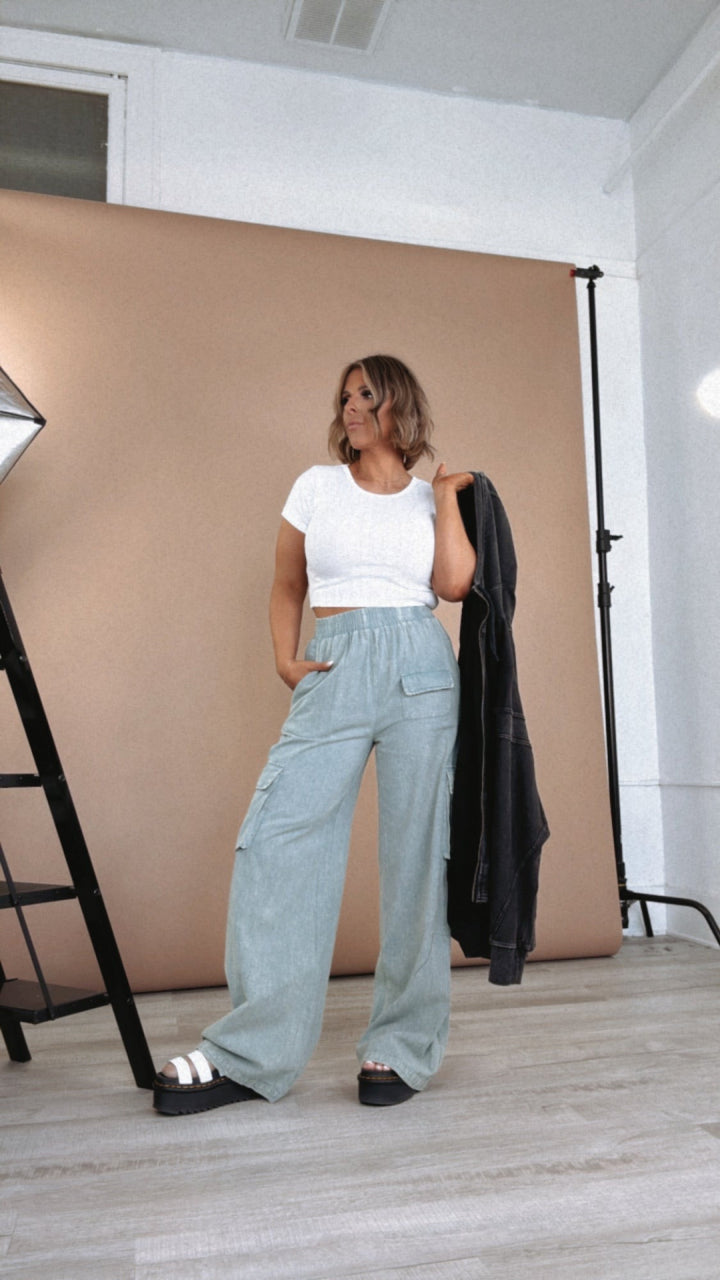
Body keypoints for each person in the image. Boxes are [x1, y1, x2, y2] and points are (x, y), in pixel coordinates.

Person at [153, 354, 475, 1115]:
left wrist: (446, 499)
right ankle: (251, 1052)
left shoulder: (429, 498)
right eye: (345, 396)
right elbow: (288, 583)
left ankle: (401, 1045)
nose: (350, 406)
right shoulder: (316, 486)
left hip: (421, 669)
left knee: (419, 857)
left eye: (366, 394)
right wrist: (284, 658)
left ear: (398, 404)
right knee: (279, 840)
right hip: (334, 662)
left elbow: (454, 585)